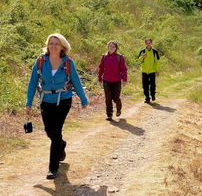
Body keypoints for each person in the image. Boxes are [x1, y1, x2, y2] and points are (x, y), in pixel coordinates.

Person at [25, 33, 88, 180]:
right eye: (51, 43)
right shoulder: (41, 60)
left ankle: (53, 168)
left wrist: (84, 99)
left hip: (64, 99)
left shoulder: (67, 62)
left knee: (56, 131)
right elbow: (33, 82)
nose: (53, 46)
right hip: (46, 100)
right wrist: (28, 103)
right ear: (48, 45)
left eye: (56, 43)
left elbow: (76, 81)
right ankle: (61, 144)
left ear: (62, 47)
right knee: (49, 131)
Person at [98, 41, 128, 120]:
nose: (111, 48)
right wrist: (99, 77)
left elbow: (124, 69)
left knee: (116, 98)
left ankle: (118, 109)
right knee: (108, 98)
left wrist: (124, 79)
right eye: (110, 46)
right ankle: (109, 115)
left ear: (116, 48)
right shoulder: (104, 56)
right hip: (106, 80)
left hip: (116, 81)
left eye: (113, 47)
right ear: (108, 47)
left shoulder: (120, 57)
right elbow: (101, 68)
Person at [137, 37, 160, 103]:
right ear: (145, 44)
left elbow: (157, 62)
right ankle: (147, 98)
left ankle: (153, 95)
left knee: (152, 85)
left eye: (149, 43)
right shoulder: (142, 51)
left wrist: (157, 70)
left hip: (152, 71)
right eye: (147, 43)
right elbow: (138, 60)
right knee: (145, 85)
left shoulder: (155, 51)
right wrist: (142, 57)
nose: (148, 44)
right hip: (144, 71)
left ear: (151, 43)